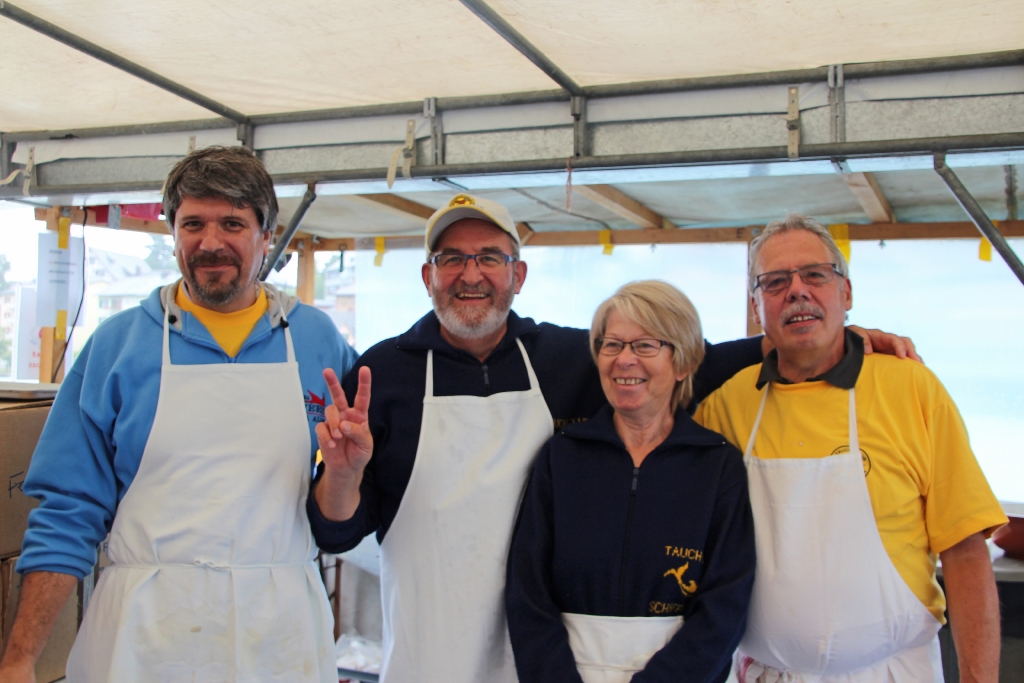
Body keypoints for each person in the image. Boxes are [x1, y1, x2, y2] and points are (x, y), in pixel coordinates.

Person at [310, 193, 915, 683]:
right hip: (431, 656)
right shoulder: (382, 373)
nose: (472, 275)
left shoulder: (563, 357)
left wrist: (822, 337)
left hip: (542, 661)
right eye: (452, 259)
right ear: (428, 275)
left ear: (518, 274)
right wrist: (342, 472)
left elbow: (688, 360)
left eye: (490, 257)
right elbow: (337, 530)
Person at [0, 146, 358, 682]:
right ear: (172, 234)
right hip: (144, 636)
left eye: (232, 223)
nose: (210, 243)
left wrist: (346, 472)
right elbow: (67, 513)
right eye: (193, 224)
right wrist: (20, 658)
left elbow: (343, 499)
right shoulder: (119, 346)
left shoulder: (317, 342)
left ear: (266, 236)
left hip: (278, 635)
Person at [695, 214, 1008, 683]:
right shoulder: (725, 405)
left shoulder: (912, 389)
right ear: (757, 309)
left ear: (846, 293)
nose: (797, 291)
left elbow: (964, 551)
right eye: (775, 281)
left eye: (815, 275)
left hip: (892, 673)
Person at [505, 281, 755, 683]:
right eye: (612, 345)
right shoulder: (561, 457)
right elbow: (527, 591)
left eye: (645, 345)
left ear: (684, 363)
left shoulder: (717, 466)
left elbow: (726, 603)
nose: (624, 360)